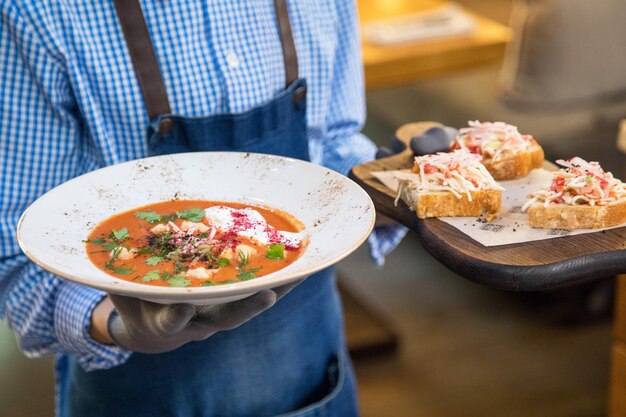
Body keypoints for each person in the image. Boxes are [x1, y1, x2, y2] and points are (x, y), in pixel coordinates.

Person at [0, 1, 405, 416]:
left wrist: (400, 190)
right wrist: (117, 325)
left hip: (312, 378)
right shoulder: (36, 10)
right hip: (136, 395)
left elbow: (333, 149)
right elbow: (18, 251)